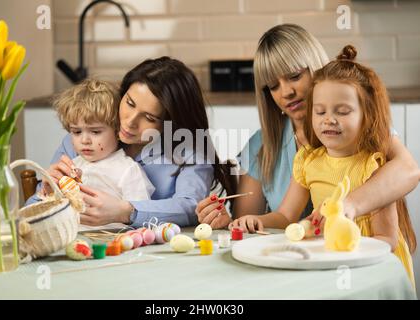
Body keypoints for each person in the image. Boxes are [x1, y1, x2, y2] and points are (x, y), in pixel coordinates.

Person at [196, 24, 420, 231]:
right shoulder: (262, 145)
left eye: (294, 76)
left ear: (316, 68)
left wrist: (347, 205)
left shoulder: (356, 124)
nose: (286, 93)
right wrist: (227, 222)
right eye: (273, 86)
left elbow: (408, 170)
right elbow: (249, 224)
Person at [230, 45, 416, 285]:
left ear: (366, 117)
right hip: (327, 265)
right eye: (320, 112)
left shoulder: (374, 164)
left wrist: (340, 246)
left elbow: (387, 239)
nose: (285, 92)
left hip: (368, 272)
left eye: (294, 76)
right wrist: (257, 220)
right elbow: (286, 216)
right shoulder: (308, 161)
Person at [28, 57, 236, 228]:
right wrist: (46, 192)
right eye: (129, 103)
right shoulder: (82, 140)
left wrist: (125, 212)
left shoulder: (190, 151)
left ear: (172, 123)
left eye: (150, 118)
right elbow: (32, 209)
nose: (129, 122)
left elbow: (190, 207)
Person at [31, 79, 155, 230]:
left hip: (114, 245)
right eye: (76, 132)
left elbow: (142, 223)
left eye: (95, 132)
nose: (85, 140)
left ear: (117, 131)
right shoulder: (72, 166)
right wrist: (50, 192)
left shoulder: (128, 170)